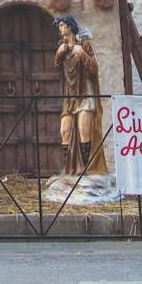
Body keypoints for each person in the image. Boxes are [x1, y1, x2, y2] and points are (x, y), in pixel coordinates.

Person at [54, 15, 106, 176]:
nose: (60, 28)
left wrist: (82, 53)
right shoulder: (62, 47)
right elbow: (57, 68)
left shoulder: (84, 44)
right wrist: (58, 54)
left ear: (70, 26)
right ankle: (69, 168)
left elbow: (94, 67)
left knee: (84, 130)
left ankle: (86, 169)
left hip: (85, 94)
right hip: (69, 95)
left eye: (62, 25)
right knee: (65, 131)